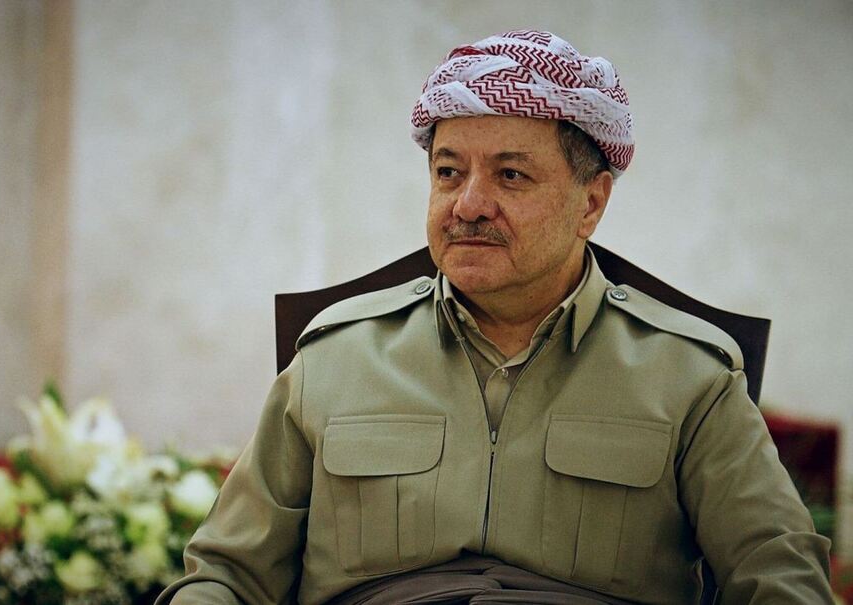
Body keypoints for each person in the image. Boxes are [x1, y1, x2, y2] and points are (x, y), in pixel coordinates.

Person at [156, 30, 831, 604]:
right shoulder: (334, 359)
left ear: (591, 203)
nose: (468, 204)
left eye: (510, 175)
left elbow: (779, 575)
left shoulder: (690, 376)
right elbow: (227, 575)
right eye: (449, 173)